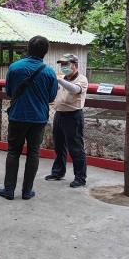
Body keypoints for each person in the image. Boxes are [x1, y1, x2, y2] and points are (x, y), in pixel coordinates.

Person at [0, 36, 58, 201]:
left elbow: (9, 92)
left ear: (28, 49)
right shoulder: (49, 72)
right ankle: (27, 191)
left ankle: (9, 190)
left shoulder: (15, 67)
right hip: (38, 118)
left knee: (13, 152)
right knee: (33, 153)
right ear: (45, 52)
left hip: (17, 115)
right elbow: (52, 97)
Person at [45, 54, 89, 188]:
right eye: (62, 65)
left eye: (66, 64)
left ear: (75, 65)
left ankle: (80, 178)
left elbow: (75, 89)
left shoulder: (82, 79)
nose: (63, 67)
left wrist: (59, 80)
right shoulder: (62, 78)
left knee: (76, 148)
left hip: (73, 116)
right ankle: (58, 172)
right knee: (58, 145)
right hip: (59, 114)